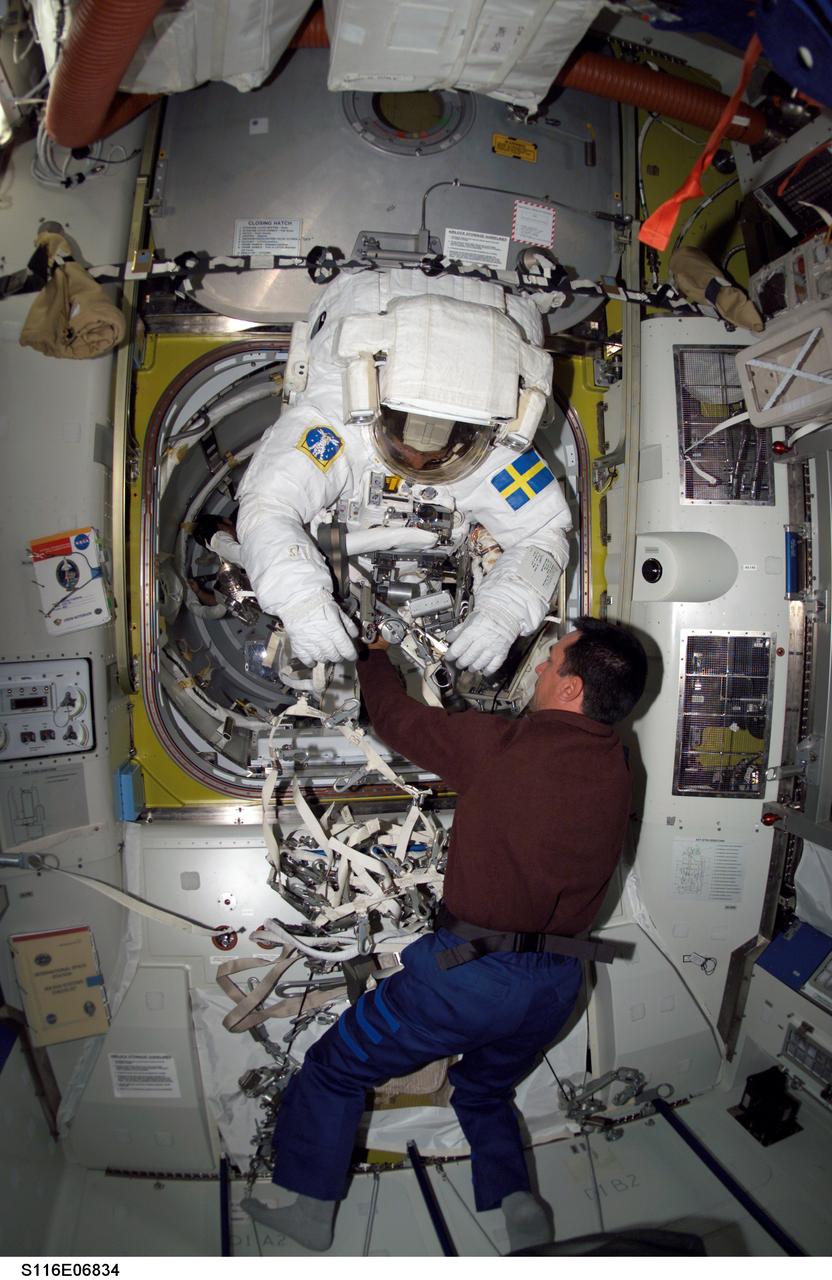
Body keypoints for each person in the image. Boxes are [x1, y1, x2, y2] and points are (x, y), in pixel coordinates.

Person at [242, 616, 648, 1253]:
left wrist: (372, 655)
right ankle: (517, 1202)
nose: (539, 668)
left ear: (571, 690)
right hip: (559, 983)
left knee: (333, 1071)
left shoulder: (502, 745)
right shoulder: (620, 761)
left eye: (552, 661)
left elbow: (394, 719)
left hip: (465, 977)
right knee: (483, 1088)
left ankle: (310, 1209)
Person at [236, 268, 571, 675]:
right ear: (372, 396)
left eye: (437, 454)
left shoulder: (498, 448)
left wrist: (504, 610)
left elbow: (545, 533)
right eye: (406, 445)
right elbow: (268, 506)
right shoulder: (334, 420)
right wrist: (301, 600)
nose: (415, 465)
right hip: (383, 298)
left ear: (480, 433)